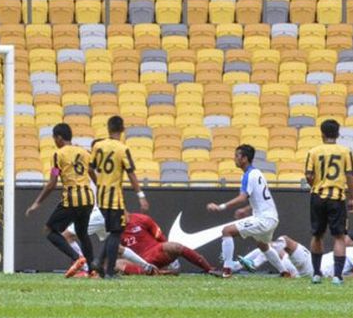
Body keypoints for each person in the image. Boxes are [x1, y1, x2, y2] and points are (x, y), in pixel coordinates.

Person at [206, 144, 290, 278]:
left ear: (244, 158)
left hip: (264, 219)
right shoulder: (257, 173)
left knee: (227, 231)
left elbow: (242, 197)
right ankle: (285, 272)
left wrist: (221, 206)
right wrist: (246, 209)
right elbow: (261, 197)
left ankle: (227, 270)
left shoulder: (249, 175)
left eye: (237, 156)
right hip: (271, 217)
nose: (235, 159)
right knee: (263, 246)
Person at [25, 123, 95, 278]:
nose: (54, 141)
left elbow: (52, 182)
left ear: (59, 138)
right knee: (82, 233)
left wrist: (37, 202)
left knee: (50, 230)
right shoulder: (84, 152)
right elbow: (91, 172)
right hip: (89, 198)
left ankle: (77, 258)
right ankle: (93, 270)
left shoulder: (58, 155)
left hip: (72, 198)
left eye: (54, 138)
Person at [90, 116, 150, 279]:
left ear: (108, 128)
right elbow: (131, 173)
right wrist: (141, 196)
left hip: (101, 197)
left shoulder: (98, 146)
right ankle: (109, 271)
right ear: (122, 129)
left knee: (112, 232)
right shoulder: (122, 149)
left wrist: (98, 182)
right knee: (116, 233)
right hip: (114, 198)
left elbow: (90, 167)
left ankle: (98, 262)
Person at [305, 119, 353, 285]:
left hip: (318, 196)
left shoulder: (313, 151)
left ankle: (316, 274)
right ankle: (337, 276)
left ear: (322, 133)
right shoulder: (345, 151)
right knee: (339, 236)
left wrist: (315, 186)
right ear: (337, 133)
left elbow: (309, 176)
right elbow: (349, 176)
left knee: (317, 235)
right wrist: (352, 197)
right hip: (337, 197)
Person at [116, 212, 215, 276]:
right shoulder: (114, 229)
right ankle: (161, 273)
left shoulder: (142, 219)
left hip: (155, 251)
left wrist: (170, 259)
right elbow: (118, 251)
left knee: (175, 246)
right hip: (137, 260)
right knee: (117, 264)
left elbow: (161, 238)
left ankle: (209, 269)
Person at [235, 233, 353, 279]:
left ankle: (252, 264)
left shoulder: (352, 250)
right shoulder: (341, 251)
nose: (343, 237)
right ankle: (235, 266)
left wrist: (339, 277)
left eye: (346, 236)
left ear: (352, 242)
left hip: (314, 271)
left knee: (284, 240)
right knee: (270, 247)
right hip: (304, 270)